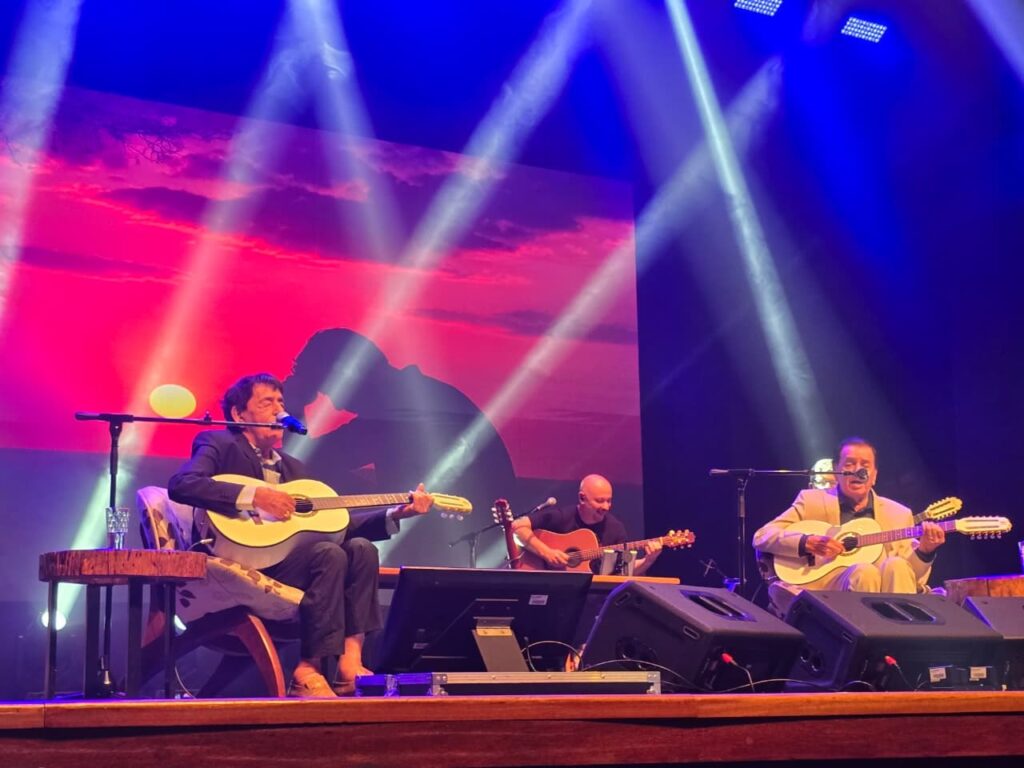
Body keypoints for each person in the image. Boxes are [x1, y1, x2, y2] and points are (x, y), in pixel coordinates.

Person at [168, 373, 435, 698]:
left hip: (292, 562)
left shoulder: (296, 470)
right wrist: (255, 496)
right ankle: (308, 668)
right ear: (239, 415)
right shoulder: (219, 443)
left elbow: (337, 525)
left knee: (361, 549)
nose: (280, 411)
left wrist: (396, 514)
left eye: (281, 403)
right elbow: (183, 484)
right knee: (329, 554)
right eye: (268, 403)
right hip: (246, 562)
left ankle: (350, 663)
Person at [281, 328, 519, 567]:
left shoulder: (397, 412)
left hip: (456, 543)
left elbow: (308, 462)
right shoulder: (417, 397)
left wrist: (294, 405)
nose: (335, 403)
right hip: (476, 538)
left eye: (330, 389)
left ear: (351, 373)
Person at [753, 436, 945, 603]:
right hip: (824, 588)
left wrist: (925, 552)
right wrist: (806, 542)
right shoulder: (812, 501)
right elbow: (762, 537)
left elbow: (914, 580)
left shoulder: (898, 514)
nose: (857, 471)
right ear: (836, 470)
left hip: (887, 592)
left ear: (874, 475)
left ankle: (902, 639)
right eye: (849, 464)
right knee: (864, 572)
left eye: (865, 465)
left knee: (896, 564)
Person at [510, 474, 661, 576]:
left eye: (609, 500)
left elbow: (623, 571)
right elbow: (517, 528)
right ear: (582, 498)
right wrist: (548, 553)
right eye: (600, 501)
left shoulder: (615, 529)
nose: (606, 507)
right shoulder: (562, 516)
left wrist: (648, 560)